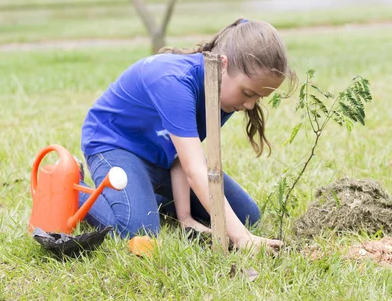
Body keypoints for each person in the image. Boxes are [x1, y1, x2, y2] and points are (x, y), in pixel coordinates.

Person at [78, 18, 294, 252]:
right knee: (139, 232)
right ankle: (75, 191)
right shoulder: (175, 83)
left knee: (247, 216)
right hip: (114, 146)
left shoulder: (222, 93)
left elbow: (181, 157)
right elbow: (196, 170)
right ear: (222, 64)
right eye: (248, 93)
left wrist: (186, 218)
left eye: (258, 98)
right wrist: (242, 238)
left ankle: (143, 194)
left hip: (159, 157)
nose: (250, 105)